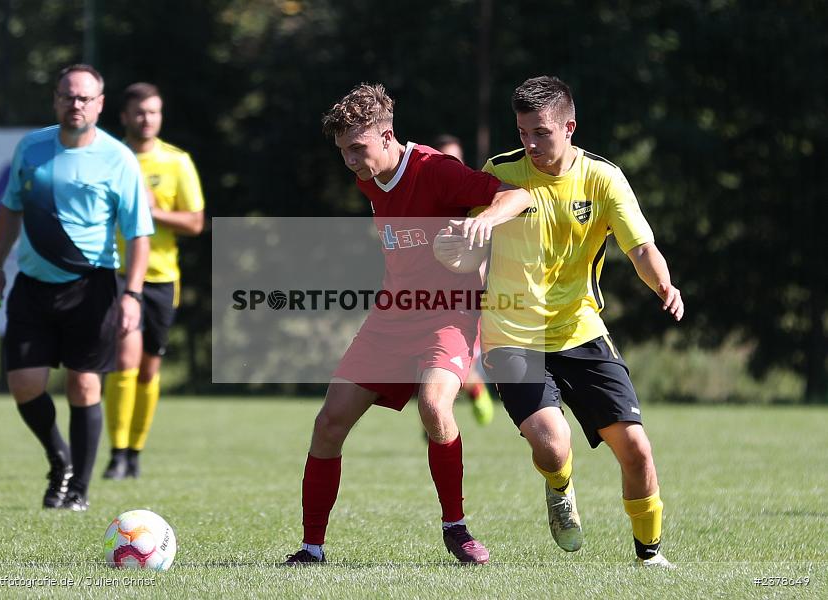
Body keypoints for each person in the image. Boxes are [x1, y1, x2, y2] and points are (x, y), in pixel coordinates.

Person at [436, 76, 683, 568]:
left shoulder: (603, 179)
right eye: (523, 132)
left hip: (582, 330)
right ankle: (559, 487)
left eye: (541, 133)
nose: (530, 143)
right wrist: (455, 253)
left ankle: (650, 556)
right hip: (511, 336)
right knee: (553, 445)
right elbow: (468, 245)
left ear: (569, 126)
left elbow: (639, 246)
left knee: (635, 446)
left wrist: (664, 285)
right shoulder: (499, 173)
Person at [283, 83, 534, 565]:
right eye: (343, 152)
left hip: (448, 312)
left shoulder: (434, 169)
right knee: (328, 422)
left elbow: (517, 196)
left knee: (434, 407)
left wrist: (483, 224)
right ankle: (312, 548)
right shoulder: (368, 177)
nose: (351, 161)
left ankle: (455, 528)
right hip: (391, 316)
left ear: (387, 135)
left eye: (358, 148)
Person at [0, 64, 153, 511]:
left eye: (84, 98)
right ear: (55, 99)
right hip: (33, 285)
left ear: (98, 104)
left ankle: (78, 490)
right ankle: (60, 460)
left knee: (83, 387)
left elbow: (138, 233)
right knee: (23, 384)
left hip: (92, 287)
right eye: (67, 96)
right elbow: (9, 208)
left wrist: (132, 294)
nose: (75, 104)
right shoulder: (32, 147)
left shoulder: (118, 159)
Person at [102, 83, 205, 480]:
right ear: (124, 116)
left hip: (163, 277)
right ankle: (116, 452)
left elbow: (195, 222)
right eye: (140, 112)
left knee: (148, 369)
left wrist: (151, 211)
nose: (147, 119)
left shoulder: (176, 162)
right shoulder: (110, 159)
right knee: (124, 360)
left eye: (154, 112)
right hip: (117, 273)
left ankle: (135, 452)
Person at [432, 134, 495, 427]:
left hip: (466, 299)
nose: (450, 165)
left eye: (455, 159)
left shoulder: (472, 198)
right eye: (443, 158)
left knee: (455, 362)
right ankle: (434, 421)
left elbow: (483, 251)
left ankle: (477, 392)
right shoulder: (427, 199)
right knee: (428, 369)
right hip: (427, 296)